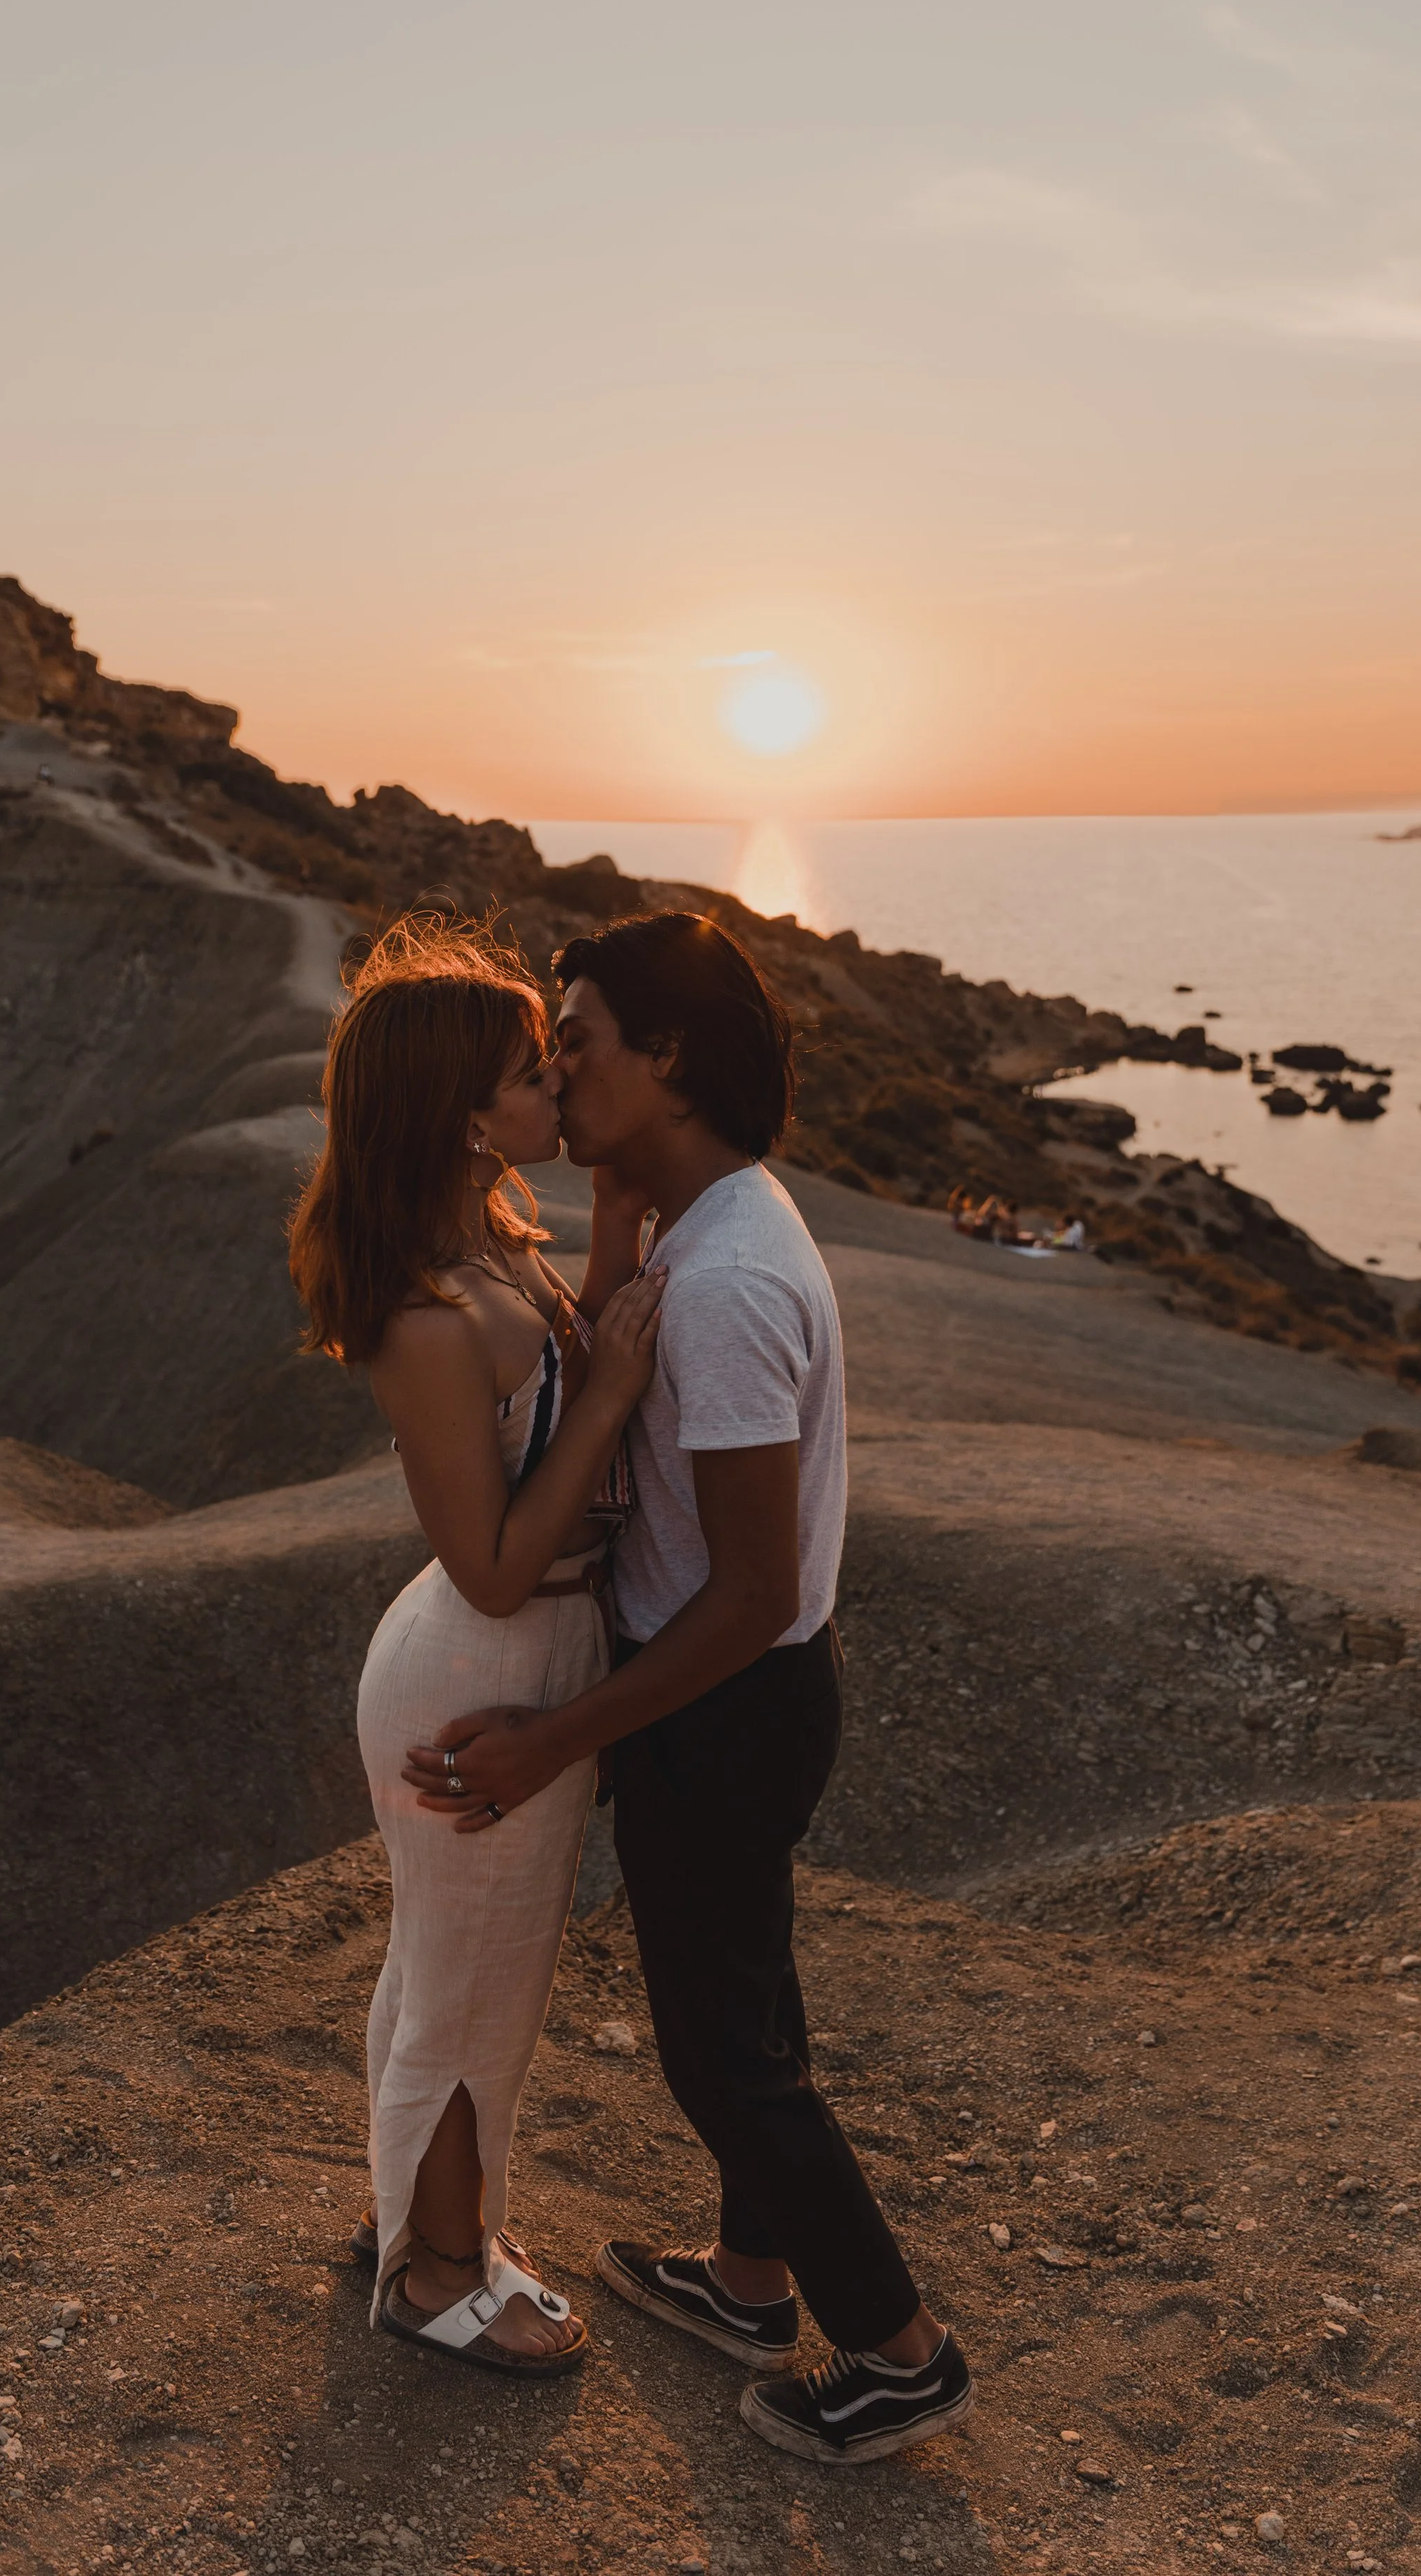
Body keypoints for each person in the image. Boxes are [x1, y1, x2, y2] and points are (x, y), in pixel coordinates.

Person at [404, 911, 973, 2466]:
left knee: (722, 2058)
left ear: (666, 1055)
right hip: (748, 1698)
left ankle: (898, 2351)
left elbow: (750, 1590)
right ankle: (744, 2281)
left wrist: (551, 1741)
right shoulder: (712, 1221)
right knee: (753, 2006)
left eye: (578, 1035)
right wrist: (607, 1218)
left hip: (723, 1699)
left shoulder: (721, 1285)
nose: (556, 1065)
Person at [289, 917, 664, 2377]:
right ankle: (435, 2273)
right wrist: (612, 1395)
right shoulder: (424, 1320)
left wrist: (615, 1237)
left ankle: (414, 2217)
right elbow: (493, 1566)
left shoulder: (492, 1240)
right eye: (531, 1069)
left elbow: (561, 1354)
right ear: (464, 1118)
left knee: (457, 1965)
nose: (556, 1081)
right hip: (478, 1664)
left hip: (532, 1655)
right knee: (473, 1982)